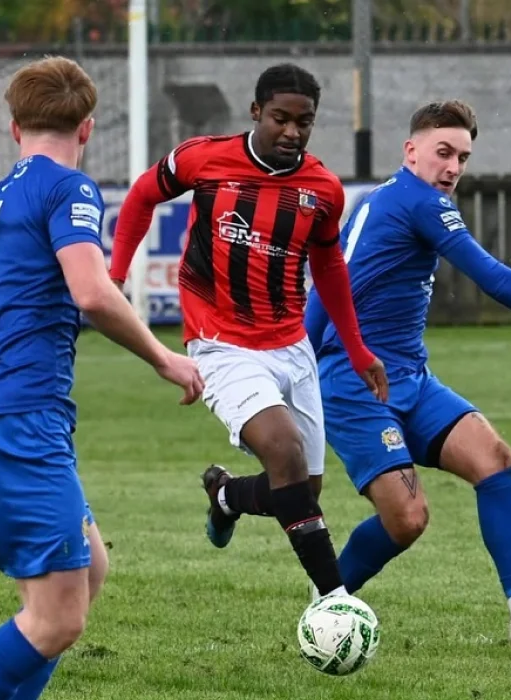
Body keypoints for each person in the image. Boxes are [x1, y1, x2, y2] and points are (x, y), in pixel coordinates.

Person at [201, 100, 511, 652]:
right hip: (356, 385)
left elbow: (337, 283)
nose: (452, 167)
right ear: (412, 151)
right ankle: (326, 603)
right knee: (408, 519)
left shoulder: (389, 201)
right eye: (443, 152)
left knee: (493, 459)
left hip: (412, 378)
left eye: (463, 158)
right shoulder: (418, 203)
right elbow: (487, 274)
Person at [0, 56, 203, 699]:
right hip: (19, 419)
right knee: (56, 616)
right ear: (86, 130)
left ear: (13, 128)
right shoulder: (68, 189)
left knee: (88, 572)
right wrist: (164, 357)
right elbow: (91, 292)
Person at [108, 63, 388, 602]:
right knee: (282, 453)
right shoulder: (204, 158)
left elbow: (329, 267)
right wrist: (115, 275)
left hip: (291, 344)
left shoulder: (323, 189)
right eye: (280, 118)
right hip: (219, 342)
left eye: (303, 122)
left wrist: (357, 350)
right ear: (256, 112)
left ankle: (227, 497)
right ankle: (336, 602)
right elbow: (143, 195)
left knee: (302, 489)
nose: (292, 132)